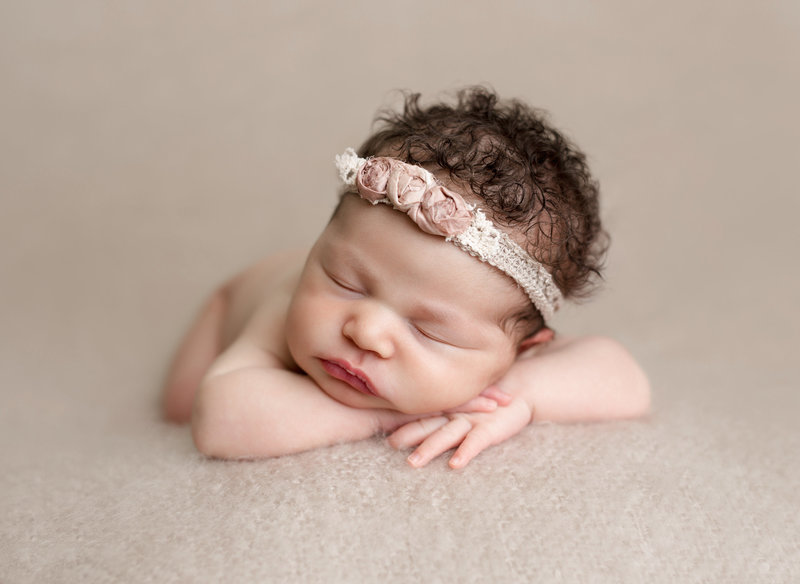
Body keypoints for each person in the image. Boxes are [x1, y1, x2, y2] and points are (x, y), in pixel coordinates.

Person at [162, 87, 651, 469]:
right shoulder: (285, 304)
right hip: (228, 306)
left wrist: (518, 398)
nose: (366, 331)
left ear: (524, 350)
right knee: (176, 408)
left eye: (429, 330)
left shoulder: (511, 351)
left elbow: (625, 379)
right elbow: (220, 419)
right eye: (344, 281)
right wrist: (396, 412)